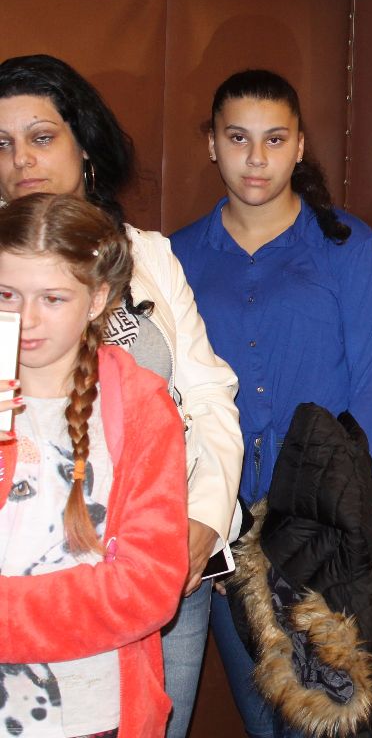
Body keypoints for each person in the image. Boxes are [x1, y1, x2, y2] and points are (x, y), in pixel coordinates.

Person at [0, 54, 241, 737]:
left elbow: (207, 393)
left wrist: (204, 517)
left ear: (83, 145)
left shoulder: (148, 255)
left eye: (41, 136)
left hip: (157, 552)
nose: (21, 159)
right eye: (2, 143)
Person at [170, 69, 372, 737]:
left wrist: (330, 518)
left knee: (327, 722)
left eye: (274, 139)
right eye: (238, 138)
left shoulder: (347, 245)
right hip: (229, 531)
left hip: (325, 530)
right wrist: (210, 521)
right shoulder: (175, 256)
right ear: (212, 143)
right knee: (269, 724)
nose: (256, 158)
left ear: (299, 146)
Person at [0, 193, 188, 737]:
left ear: (97, 298)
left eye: (53, 298)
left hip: (89, 710)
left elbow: (148, 586)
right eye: (7, 294)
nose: (27, 319)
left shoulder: (138, 406)